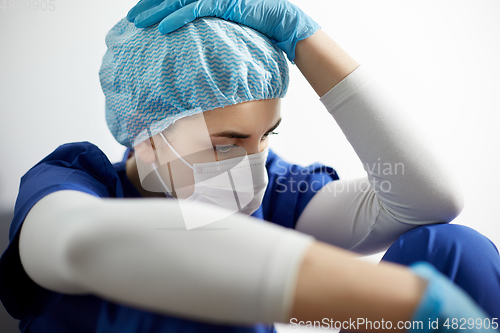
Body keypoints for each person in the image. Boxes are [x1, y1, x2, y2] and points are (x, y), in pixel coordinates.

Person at [0, 0, 499, 332]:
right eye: (227, 142)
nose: (254, 167)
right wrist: (398, 304)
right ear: (146, 135)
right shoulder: (72, 182)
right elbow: (79, 243)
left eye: (266, 135)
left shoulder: (274, 187)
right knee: (199, 289)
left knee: (453, 252)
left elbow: (428, 200)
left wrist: (306, 38)